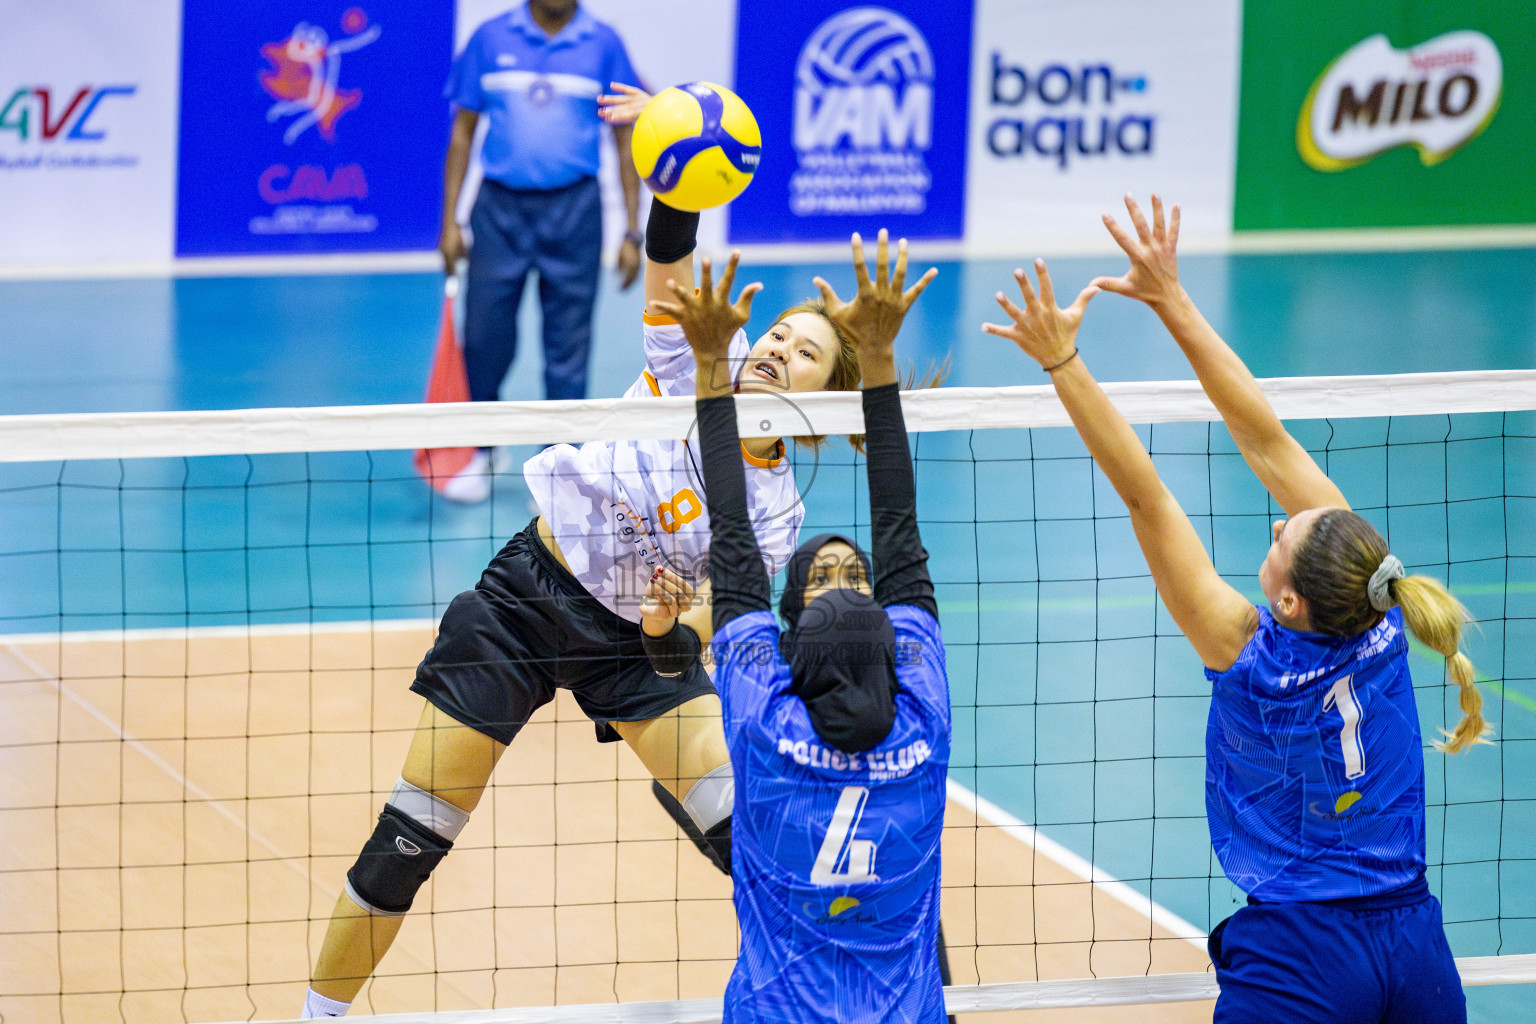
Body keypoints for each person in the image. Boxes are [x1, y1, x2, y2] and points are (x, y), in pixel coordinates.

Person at [298, 185, 883, 1017]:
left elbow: (686, 647)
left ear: (819, 404)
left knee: (754, 839)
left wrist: (665, 626)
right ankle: (316, 1015)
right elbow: (668, 251)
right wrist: (677, 170)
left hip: (633, 653)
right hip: (524, 605)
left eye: (805, 353)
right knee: (410, 839)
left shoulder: (777, 513)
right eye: (779, 334)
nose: (779, 349)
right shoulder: (698, 358)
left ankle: (835, 1000)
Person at [984, 194, 1486, 1023]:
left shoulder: (1246, 651)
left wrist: (1063, 361)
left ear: (1287, 598)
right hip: (1414, 943)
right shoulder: (1381, 607)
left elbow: (1146, 497)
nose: (1282, 519)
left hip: (1301, 956)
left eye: (1286, 533)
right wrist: (1172, 299)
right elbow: (1267, 440)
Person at [653, 231, 953, 1022]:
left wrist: (711, 364)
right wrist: (879, 356)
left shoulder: (763, 723)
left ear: (788, 653)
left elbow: (733, 530)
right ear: (896, 653)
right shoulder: (922, 724)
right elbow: (897, 530)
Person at [440, 0, 645, 504]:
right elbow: (462, 134)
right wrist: (449, 222)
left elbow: (625, 141)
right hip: (498, 211)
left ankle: (558, 467)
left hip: (576, 211)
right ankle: (482, 449)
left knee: (568, 347)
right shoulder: (490, 38)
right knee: (484, 338)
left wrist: (631, 232)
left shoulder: (604, 44)